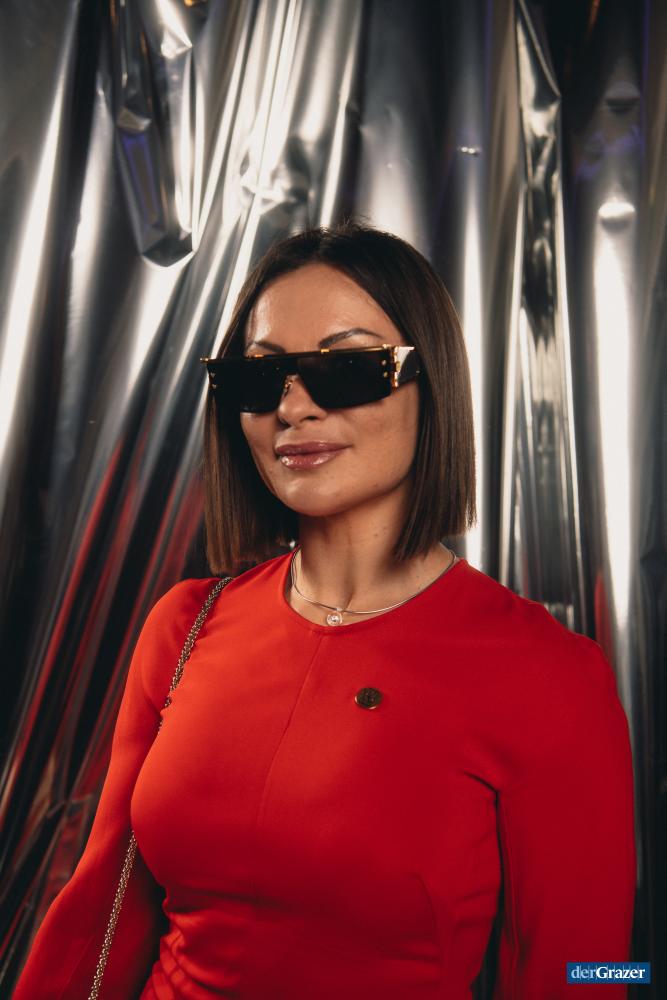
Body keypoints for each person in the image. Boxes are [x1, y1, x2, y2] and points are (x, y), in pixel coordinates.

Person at [14, 222, 636, 999]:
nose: (292, 407)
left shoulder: (549, 675)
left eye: (346, 368)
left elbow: (590, 970)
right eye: (259, 376)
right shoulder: (184, 625)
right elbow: (98, 917)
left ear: (432, 382)